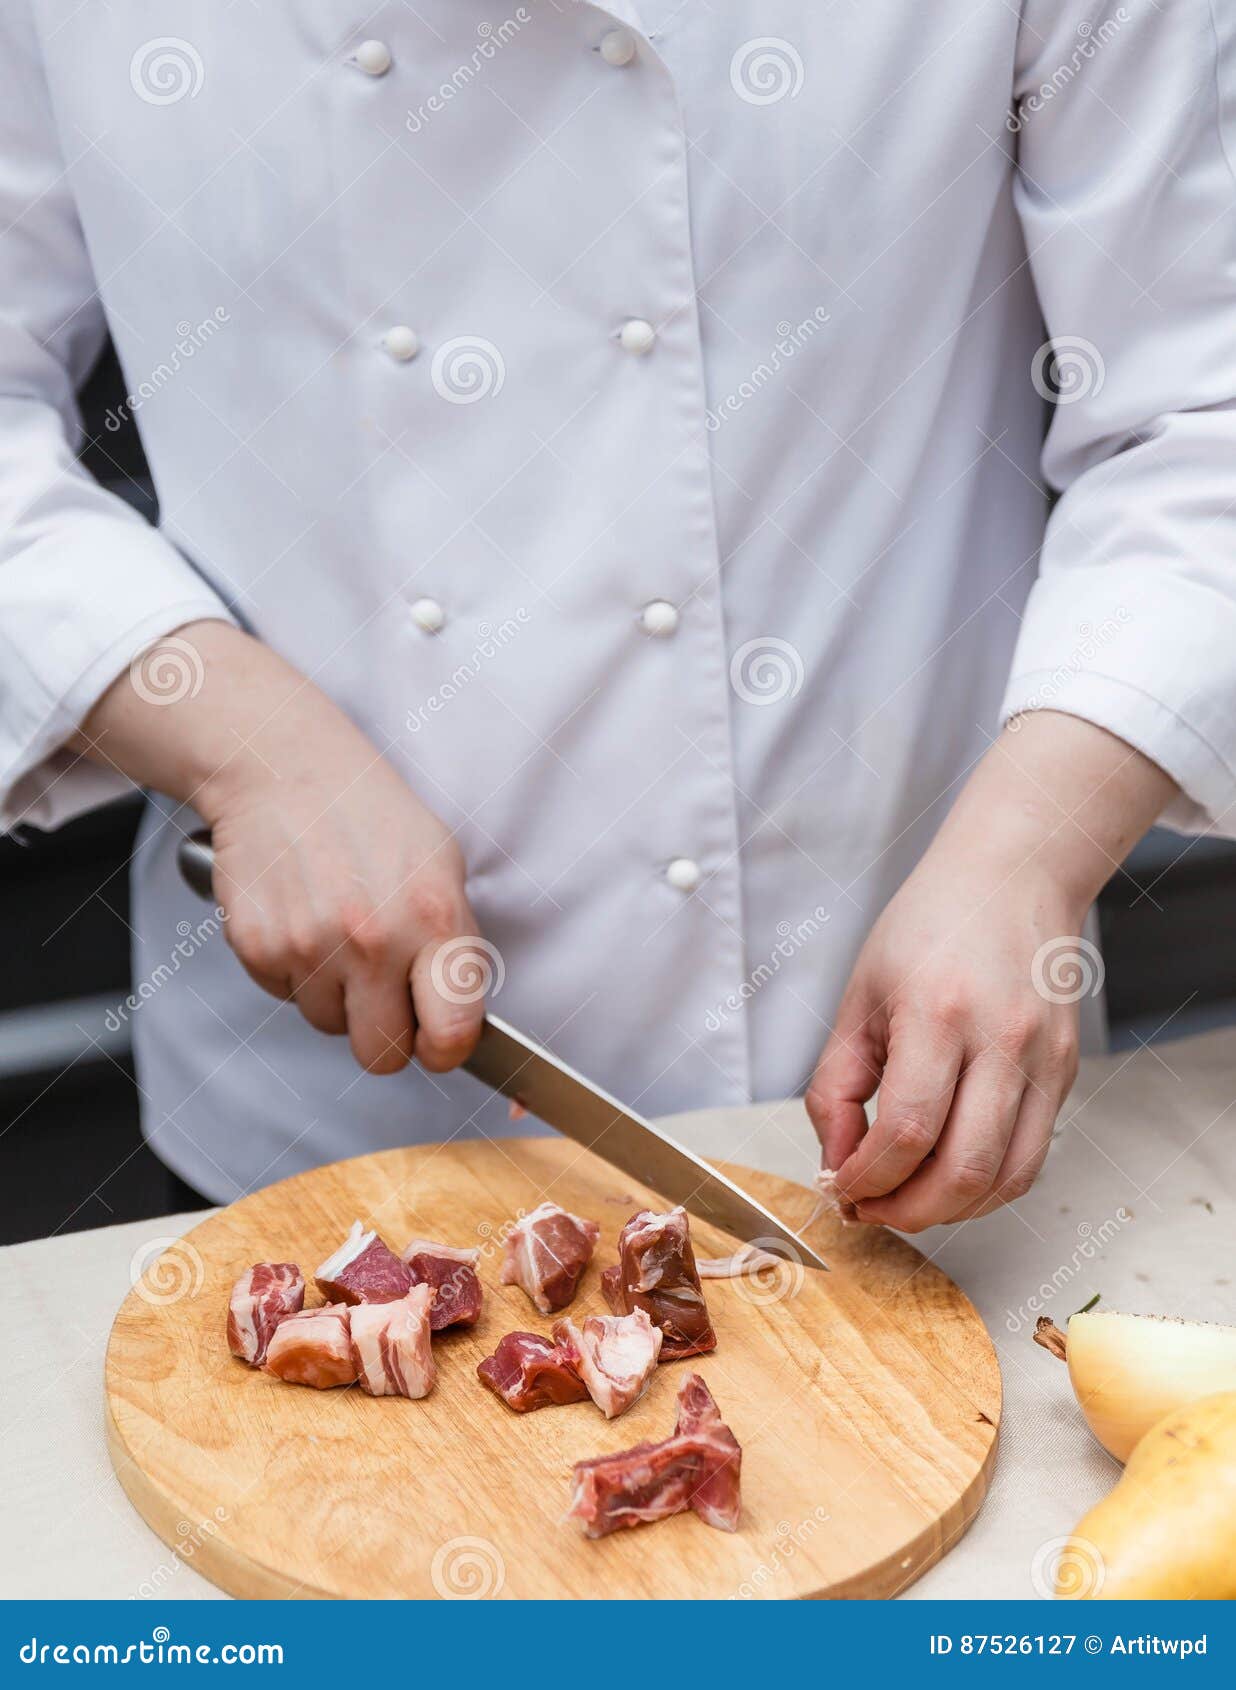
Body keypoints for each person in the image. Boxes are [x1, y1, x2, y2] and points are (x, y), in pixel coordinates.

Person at [1, 7, 1229, 1230]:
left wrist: (1026, 856)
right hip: (324, 1125)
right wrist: (244, 743)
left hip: (909, 1073)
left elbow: (1199, 417)